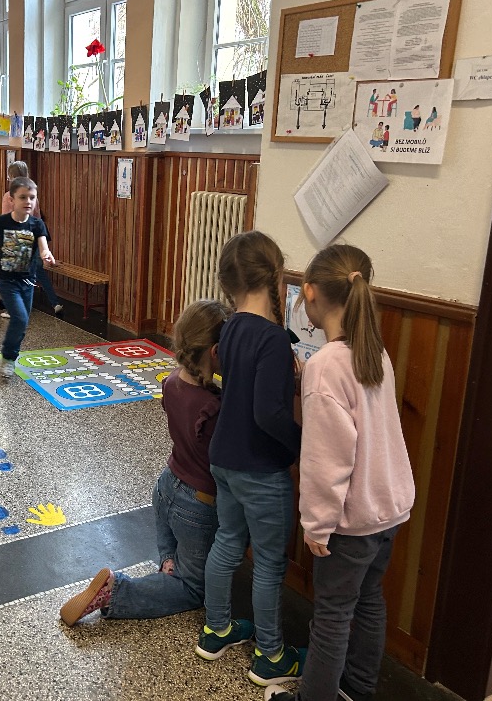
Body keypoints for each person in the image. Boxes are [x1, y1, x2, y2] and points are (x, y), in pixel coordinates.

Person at [264, 245, 415, 701]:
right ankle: (357, 689)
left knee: (331, 615)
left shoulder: (326, 366)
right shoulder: (375, 353)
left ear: (309, 292)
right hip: (388, 510)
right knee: (368, 601)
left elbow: (326, 459)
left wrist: (317, 523)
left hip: (351, 521)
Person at [59, 299, 247, 627]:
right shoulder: (214, 408)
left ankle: (169, 563)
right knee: (194, 588)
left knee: (176, 553)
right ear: (217, 351)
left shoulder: (172, 382)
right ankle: (117, 592)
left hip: (166, 487)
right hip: (197, 506)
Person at [196, 231, 304, 687]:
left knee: (227, 541)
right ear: (276, 277)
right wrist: (301, 445)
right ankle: (271, 655)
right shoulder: (274, 339)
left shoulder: (231, 327)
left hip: (224, 457)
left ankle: (216, 629)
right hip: (261, 469)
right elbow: (268, 413)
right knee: (269, 563)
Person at [0, 177, 56, 379]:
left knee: (22, 323)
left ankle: (9, 356)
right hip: (6, 281)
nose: (28, 201)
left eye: (32, 197)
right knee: (20, 317)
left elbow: (43, 247)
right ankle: (8, 358)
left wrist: (47, 255)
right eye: (23, 197)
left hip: (27, 282)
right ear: (12, 199)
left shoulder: (37, 224)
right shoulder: (2, 222)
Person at [0, 161, 63, 319]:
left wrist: (44, 251)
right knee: (35, 273)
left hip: (17, 242)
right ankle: (54, 303)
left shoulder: (9, 196)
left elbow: (7, 221)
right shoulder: (32, 196)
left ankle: (4, 302)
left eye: (10, 176)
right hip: (31, 240)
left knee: (14, 274)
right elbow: (37, 218)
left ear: (12, 177)